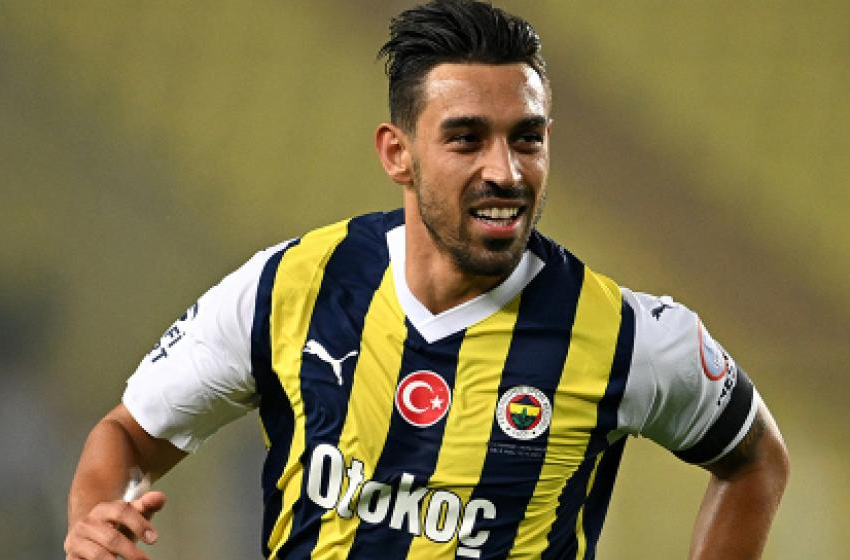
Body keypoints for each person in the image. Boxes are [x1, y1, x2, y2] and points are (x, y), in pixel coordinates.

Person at [64, 1, 789, 559]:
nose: (505, 171)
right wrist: (97, 524)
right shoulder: (290, 287)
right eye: (467, 138)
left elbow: (754, 459)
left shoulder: (626, 336)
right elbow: (127, 434)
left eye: (527, 138)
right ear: (397, 153)